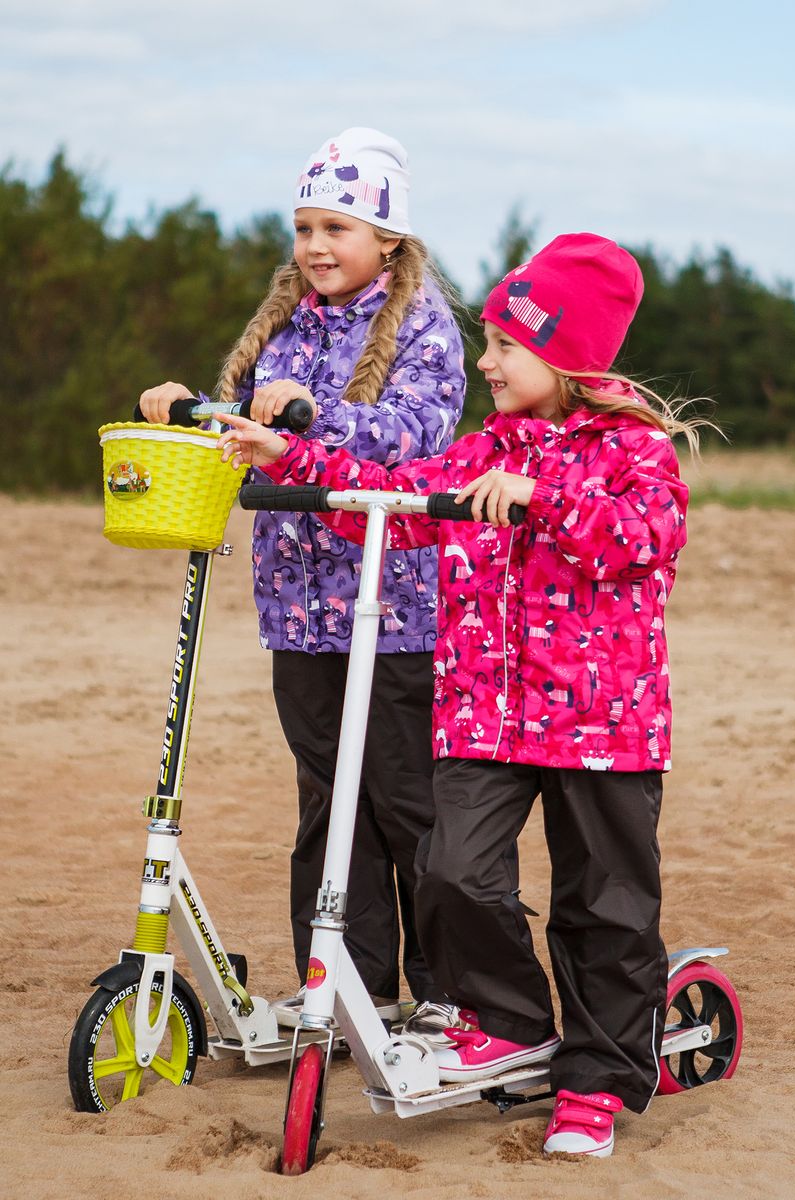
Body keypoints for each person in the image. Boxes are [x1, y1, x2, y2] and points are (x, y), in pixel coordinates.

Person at [213, 231, 706, 1158]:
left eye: (505, 346)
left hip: (600, 724)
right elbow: (396, 495)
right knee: (452, 873)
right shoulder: (482, 449)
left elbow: (642, 539)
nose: (484, 360)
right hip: (484, 711)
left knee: (603, 903)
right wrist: (290, 457)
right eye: (486, 342)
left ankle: (596, 1080)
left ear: (565, 356)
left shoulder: (634, 453)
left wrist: (541, 500)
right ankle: (515, 1021)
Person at [138, 127, 466, 1026]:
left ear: (387, 240)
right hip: (300, 608)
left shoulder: (426, 325)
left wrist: (311, 425)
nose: (316, 247)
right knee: (329, 802)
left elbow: (417, 437)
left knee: (408, 802)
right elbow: (246, 438)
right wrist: (190, 413)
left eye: (338, 228)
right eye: (304, 227)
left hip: (395, 609)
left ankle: (448, 997)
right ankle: (346, 987)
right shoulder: (284, 323)